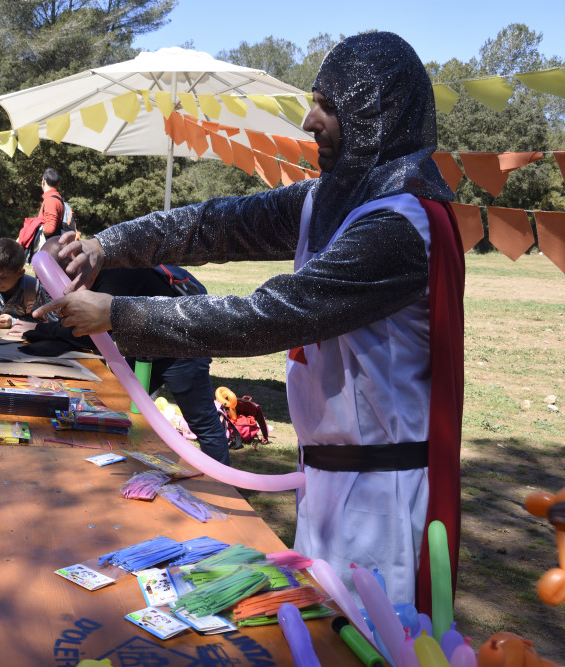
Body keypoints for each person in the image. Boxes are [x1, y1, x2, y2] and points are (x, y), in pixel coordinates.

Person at [36, 32, 465, 609]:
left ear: (375, 117)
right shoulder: (330, 198)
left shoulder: (399, 225)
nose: (309, 121)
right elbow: (214, 224)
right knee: (321, 627)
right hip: (329, 482)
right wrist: (104, 247)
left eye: (329, 106)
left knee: (369, 636)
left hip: (381, 501)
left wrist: (119, 312)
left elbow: (270, 316)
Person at [17, 237, 231, 464]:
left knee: (203, 424)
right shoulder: (94, 274)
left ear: (72, 265)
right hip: (145, 351)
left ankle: (223, 481)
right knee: (114, 409)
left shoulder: (114, 274)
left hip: (182, 350)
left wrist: (38, 330)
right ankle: (127, 463)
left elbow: (92, 333)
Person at [18, 167, 65, 260]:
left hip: (49, 251)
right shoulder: (55, 198)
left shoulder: (51, 200)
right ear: (58, 184)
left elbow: (49, 228)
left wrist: (33, 230)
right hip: (53, 249)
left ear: (43, 181)